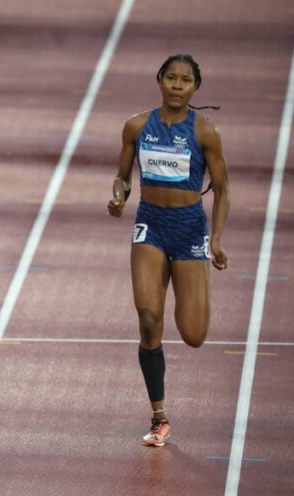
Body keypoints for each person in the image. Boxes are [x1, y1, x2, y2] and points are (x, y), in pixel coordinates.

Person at [107, 54, 230, 447]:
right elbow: (122, 178)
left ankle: (193, 289)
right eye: (171, 78)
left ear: (196, 88)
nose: (177, 86)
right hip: (151, 225)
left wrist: (217, 238)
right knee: (147, 318)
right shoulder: (137, 126)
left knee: (193, 334)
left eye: (186, 80)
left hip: (190, 227)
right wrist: (118, 199)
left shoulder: (205, 132)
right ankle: (159, 415)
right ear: (159, 81)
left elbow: (224, 189)